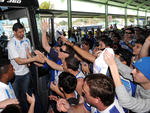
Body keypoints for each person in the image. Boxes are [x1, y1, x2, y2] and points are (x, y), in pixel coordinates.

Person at [7, 23, 44, 113]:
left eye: (23, 31)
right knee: (16, 98)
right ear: (14, 32)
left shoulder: (26, 40)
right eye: (20, 32)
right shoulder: (11, 43)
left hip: (26, 73)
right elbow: (18, 61)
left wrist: (31, 58)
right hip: (15, 75)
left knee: (25, 96)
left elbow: (29, 55)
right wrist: (35, 58)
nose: (22, 34)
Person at [57, 74, 125, 113]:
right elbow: (84, 108)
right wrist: (69, 108)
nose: (82, 92)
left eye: (85, 92)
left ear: (97, 99)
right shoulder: (93, 100)